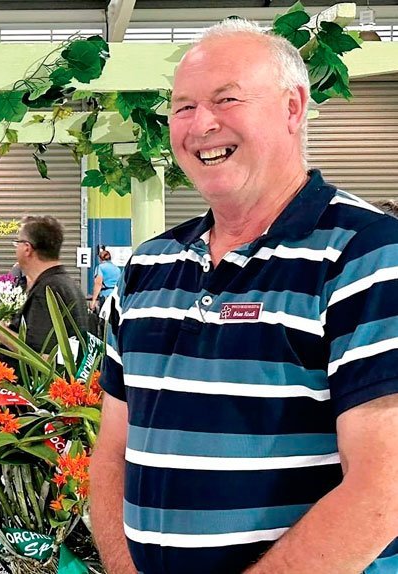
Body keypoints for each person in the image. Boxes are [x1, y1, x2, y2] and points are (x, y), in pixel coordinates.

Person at [90, 19, 398, 574]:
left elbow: (385, 489)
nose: (202, 124)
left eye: (226, 99)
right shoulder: (148, 267)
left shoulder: (369, 256)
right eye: (183, 107)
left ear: (292, 107)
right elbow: (114, 451)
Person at [0, 216, 87, 354]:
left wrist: (1, 333)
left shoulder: (48, 290)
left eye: (18, 243)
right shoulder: (67, 284)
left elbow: (41, 355)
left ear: (27, 248)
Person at [88, 246, 120, 312]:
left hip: (106, 296)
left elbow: (98, 284)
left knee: (104, 318)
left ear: (100, 259)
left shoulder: (100, 267)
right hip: (116, 296)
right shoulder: (117, 269)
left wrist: (93, 301)